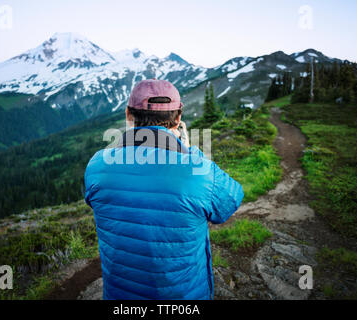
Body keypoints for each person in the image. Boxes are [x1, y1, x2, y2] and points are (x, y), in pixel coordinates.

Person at [84, 79, 244, 300]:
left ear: (128, 114)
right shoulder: (199, 169)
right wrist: (190, 153)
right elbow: (231, 201)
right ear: (178, 118)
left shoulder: (97, 165)